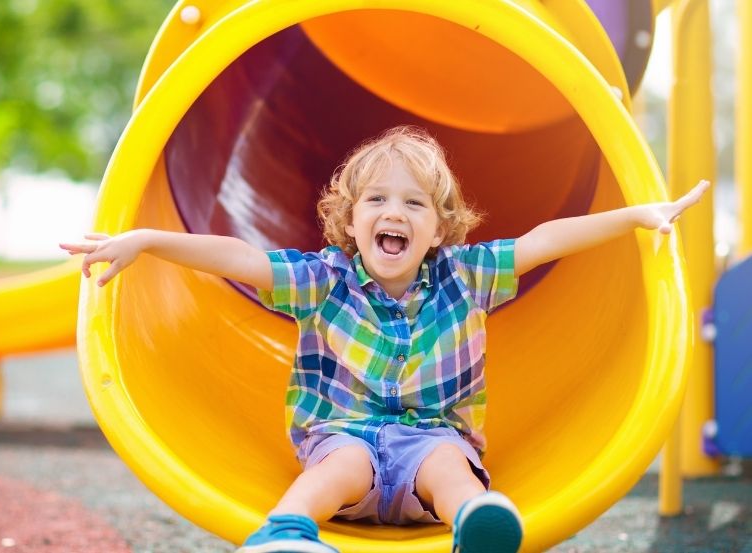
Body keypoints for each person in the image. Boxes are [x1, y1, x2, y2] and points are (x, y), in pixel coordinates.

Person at [60, 126, 709, 553]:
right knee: (342, 464)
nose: (393, 212)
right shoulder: (322, 278)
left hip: (433, 435)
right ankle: (285, 532)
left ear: (439, 230)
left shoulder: (465, 273)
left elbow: (543, 241)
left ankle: (474, 522)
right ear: (351, 219)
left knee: (448, 467)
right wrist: (145, 240)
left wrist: (636, 216)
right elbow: (239, 256)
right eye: (376, 200)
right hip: (343, 432)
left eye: (415, 204)